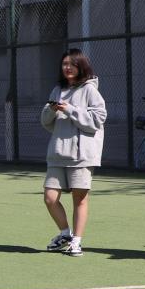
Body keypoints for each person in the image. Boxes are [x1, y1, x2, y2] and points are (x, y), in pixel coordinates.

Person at [41, 49, 107, 257]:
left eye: (72, 64)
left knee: (80, 199)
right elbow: (45, 121)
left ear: (81, 66)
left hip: (81, 156)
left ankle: (77, 241)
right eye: (64, 64)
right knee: (50, 198)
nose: (67, 68)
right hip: (57, 154)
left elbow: (98, 119)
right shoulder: (57, 90)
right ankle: (65, 234)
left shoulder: (89, 90)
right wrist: (51, 110)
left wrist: (70, 110)